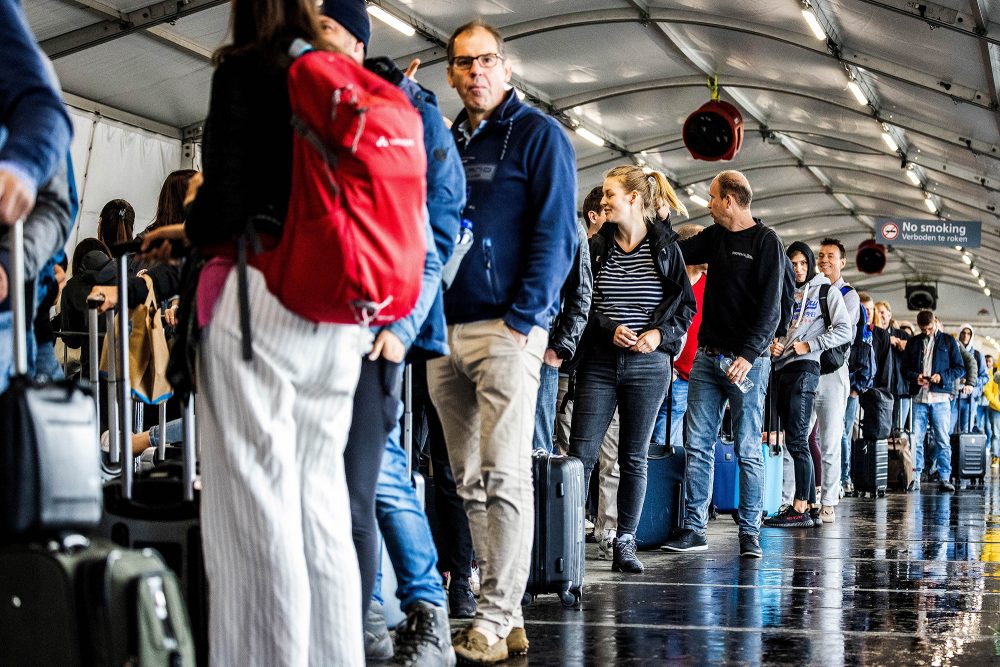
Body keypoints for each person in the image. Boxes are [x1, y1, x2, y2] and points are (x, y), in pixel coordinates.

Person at [138, 2, 369, 663]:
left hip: (256, 302)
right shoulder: (335, 70)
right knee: (319, 509)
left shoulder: (249, 68)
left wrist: (194, 209)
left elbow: (227, 207)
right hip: (335, 314)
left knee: (255, 523)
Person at [427, 19, 578, 664]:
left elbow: (558, 236)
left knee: (506, 475)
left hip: (506, 331)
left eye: (486, 60)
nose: (475, 73)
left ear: (506, 67)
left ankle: (490, 618)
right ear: (453, 73)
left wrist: (526, 318)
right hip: (444, 332)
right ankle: (507, 614)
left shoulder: (540, 137)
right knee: (467, 481)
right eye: (463, 64)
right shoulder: (448, 142)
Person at [568, 166, 695, 573]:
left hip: (649, 365)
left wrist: (659, 336)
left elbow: (685, 307)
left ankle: (625, 542)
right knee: (580, 455)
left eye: (610, 195)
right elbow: (581, 303)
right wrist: (608, 329)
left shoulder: (665, 248)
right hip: (600, 362)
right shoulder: (595, 247)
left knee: (633, 456)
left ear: (635, 200)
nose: (603, 202)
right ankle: (567, 541)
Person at [662, 170, 785, 559]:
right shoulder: (715, 238)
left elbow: (772, 311)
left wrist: (749, 357)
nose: (708, 204)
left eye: (712, 197)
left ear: (729, 200)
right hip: (707, 359)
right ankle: (695, 528)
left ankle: (750, 532)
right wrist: (663, 219)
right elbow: (677, 250)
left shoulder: (767, 244)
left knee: (748, 448)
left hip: (749, 364)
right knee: (698, 445)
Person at [554, 184, 620, 558]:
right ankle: (568, 524)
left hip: (601, 367)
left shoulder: (629, 252)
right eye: (607, 210)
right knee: (570, 452)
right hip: (569, 366)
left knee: (609, 451)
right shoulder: (580, 243)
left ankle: (607, 527)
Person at [765, 242, 851, 528]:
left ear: (811, 264)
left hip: (808, 367)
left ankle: (802, 506)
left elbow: (844, 329)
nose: (798, 269)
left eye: (803, 263)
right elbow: (779, 329)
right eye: (793, 264)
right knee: (793, 439)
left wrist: (811, 345)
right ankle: (806, 505)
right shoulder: (784, 292)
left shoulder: (826, 291)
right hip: (783, 367)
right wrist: (775, 346)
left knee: (801, 439)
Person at [811, 237, 859, 518]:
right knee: (800, 437)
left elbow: (841, 332)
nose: (825, 260)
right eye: (821, 256)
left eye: (831, 256)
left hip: (832, 371)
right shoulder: (811, 290)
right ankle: (794, 499)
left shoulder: (848, 295)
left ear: (842, 262)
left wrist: (809, 340)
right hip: (806, 368)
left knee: (830, 439)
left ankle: (829, 500)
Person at [901, 309, 965, 492]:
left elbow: (960, 368)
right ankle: (917, 477)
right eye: (923, 329)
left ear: (935, 323)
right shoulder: (913, 342)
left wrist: (942, 377)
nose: (927, 332)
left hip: (941, 398)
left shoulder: (948, 341)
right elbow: (904, 368)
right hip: (919, 397)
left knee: (942, 439)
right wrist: (916, 377)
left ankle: (945, 477)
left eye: (929, 328)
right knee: (917, 439)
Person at [875, 300, 911, 429]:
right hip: (878, 390)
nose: (880, 315)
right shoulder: (873, 335)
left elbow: (918, 353)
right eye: (877, 312)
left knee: (898, 429)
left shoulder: (902, 335)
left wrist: (905, 345)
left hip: (900, 390)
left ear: (889, 314)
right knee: (879, 428)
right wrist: (884, 341)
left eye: (883, 312)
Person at [953, 324, 987, 433]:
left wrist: (970, 382)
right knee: (948, 429)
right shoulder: (952, 352)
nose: (965, 336)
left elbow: (985, 377)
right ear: (959, 334)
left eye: (969, 333)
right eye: (963, 333)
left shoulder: (977, 355)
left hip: (970, 400)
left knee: (966, 430)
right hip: (953, 397)